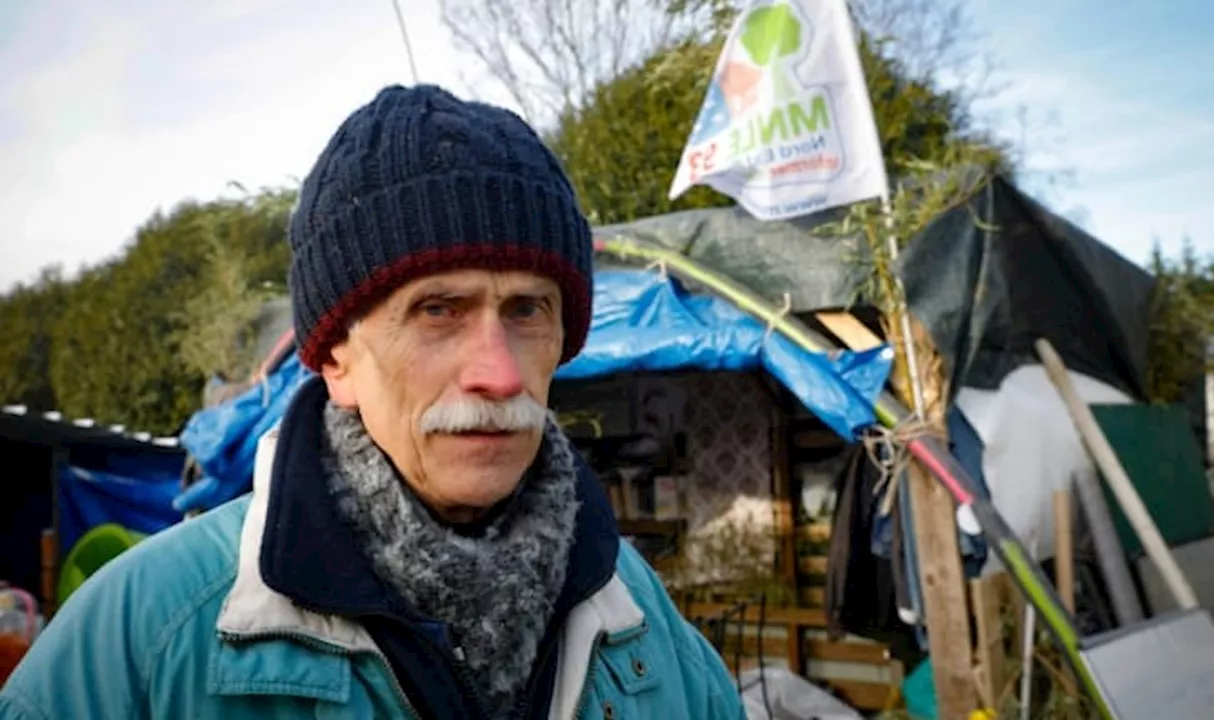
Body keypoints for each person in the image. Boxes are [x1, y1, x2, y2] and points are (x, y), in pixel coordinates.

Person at [0, 84, 745, 720]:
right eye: (437, 310)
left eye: (526, 311)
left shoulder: (639, 616)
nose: (499, 373)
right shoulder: (142, 641)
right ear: (333, 358)